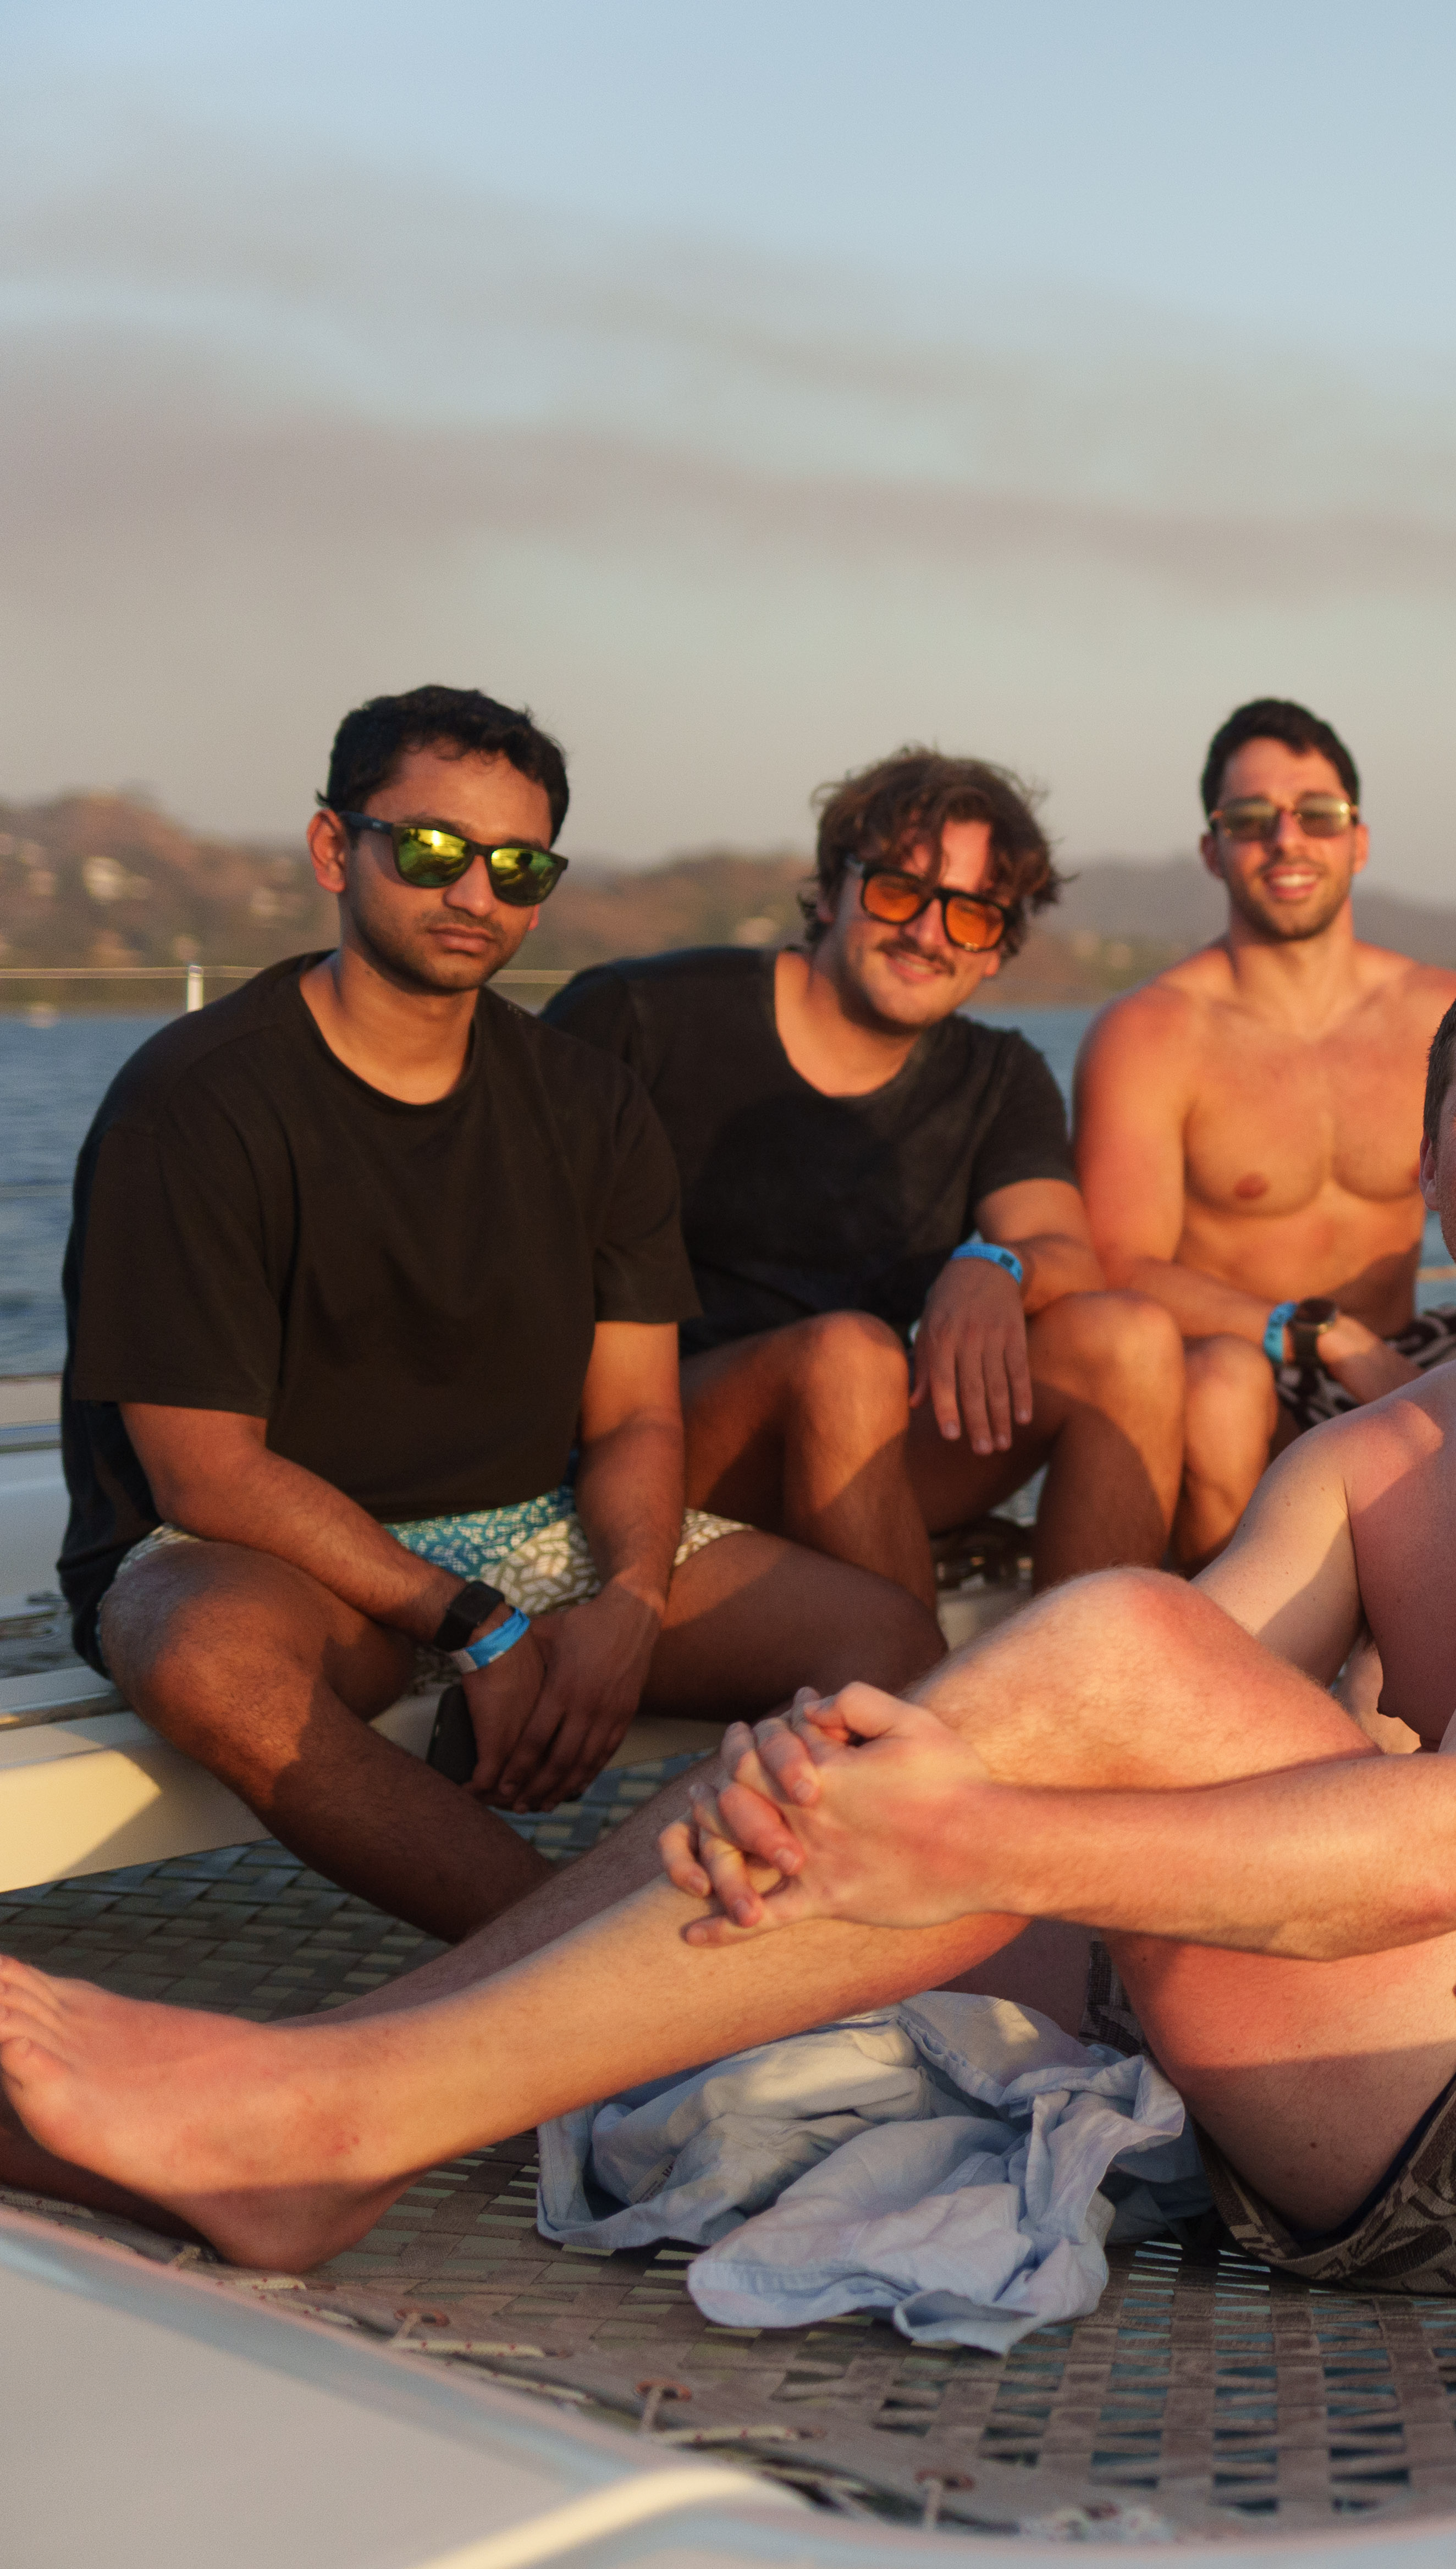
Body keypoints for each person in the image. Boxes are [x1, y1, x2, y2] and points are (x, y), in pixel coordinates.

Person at [0, 953, 1456, 2297]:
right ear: (1429, 1171)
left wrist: (968, 1830)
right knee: (936, 1729)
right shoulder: (1396, 1447)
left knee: (1071, 1686)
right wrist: (880, 1774)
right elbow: (1118, 1703)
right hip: (1344, 2048)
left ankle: (324, 2117)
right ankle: (326, 2106)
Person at [53, 687, 943, 1944]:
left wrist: (628, 1602)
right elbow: (206, 1472)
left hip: (529, 1527)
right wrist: (471, 1618)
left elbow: (635, 1411)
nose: (476, 891)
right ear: (333, 849)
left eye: (518, 866)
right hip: (278, 1559)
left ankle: (812, 1957)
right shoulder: (195, 1104)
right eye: (432, 849)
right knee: (201, 1659)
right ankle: (574, 1977)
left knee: (885, 1637)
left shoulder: (591, 1105)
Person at [544, 750, 1184, 1606]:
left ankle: (1088, 1690)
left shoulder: (995, 1076)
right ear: (828, 891)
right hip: (661, 1440)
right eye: (897, 892)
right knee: (849, 1355)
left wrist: (996, 1265)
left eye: (972, 915)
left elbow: (1059, 1245)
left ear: (998, 951)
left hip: (867, 1441)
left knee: (1130, 1340)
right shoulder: (641, 1018)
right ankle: (915, 1696)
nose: (928, 934)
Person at [1077, 699, 1456, 1563]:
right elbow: (1118, 1263)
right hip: (1246, 1365)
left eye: (1317, 816)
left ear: (1358, 840)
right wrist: (1318, 1331)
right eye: (1252, 820)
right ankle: (1231, 1657)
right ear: (1213, 850)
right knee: (1221, 1388)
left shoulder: (1443, 1012)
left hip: (1403, 1346)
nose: (1286, 840)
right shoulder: (1150, 1034)